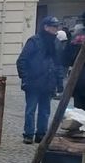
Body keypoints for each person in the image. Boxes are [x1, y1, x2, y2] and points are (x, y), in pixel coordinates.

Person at [16, 15, 60, 143]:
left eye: (56, 27)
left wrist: (59, 82)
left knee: (45, 111)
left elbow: (58, 64)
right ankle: (28, 134)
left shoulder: (55, 42)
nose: (56, 29)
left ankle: (41, 134)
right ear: (46, 27)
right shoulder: (34, 41)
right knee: (31, 110)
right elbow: (22, 60)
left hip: (48, 82)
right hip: (33, 82)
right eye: (53, 27)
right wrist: (25, 77)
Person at [65, 16, 85, 109]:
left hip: (79, 81)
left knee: (79, 112)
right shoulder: (78, 35)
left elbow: (67, 59)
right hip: (80, 80)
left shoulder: (77, 35)